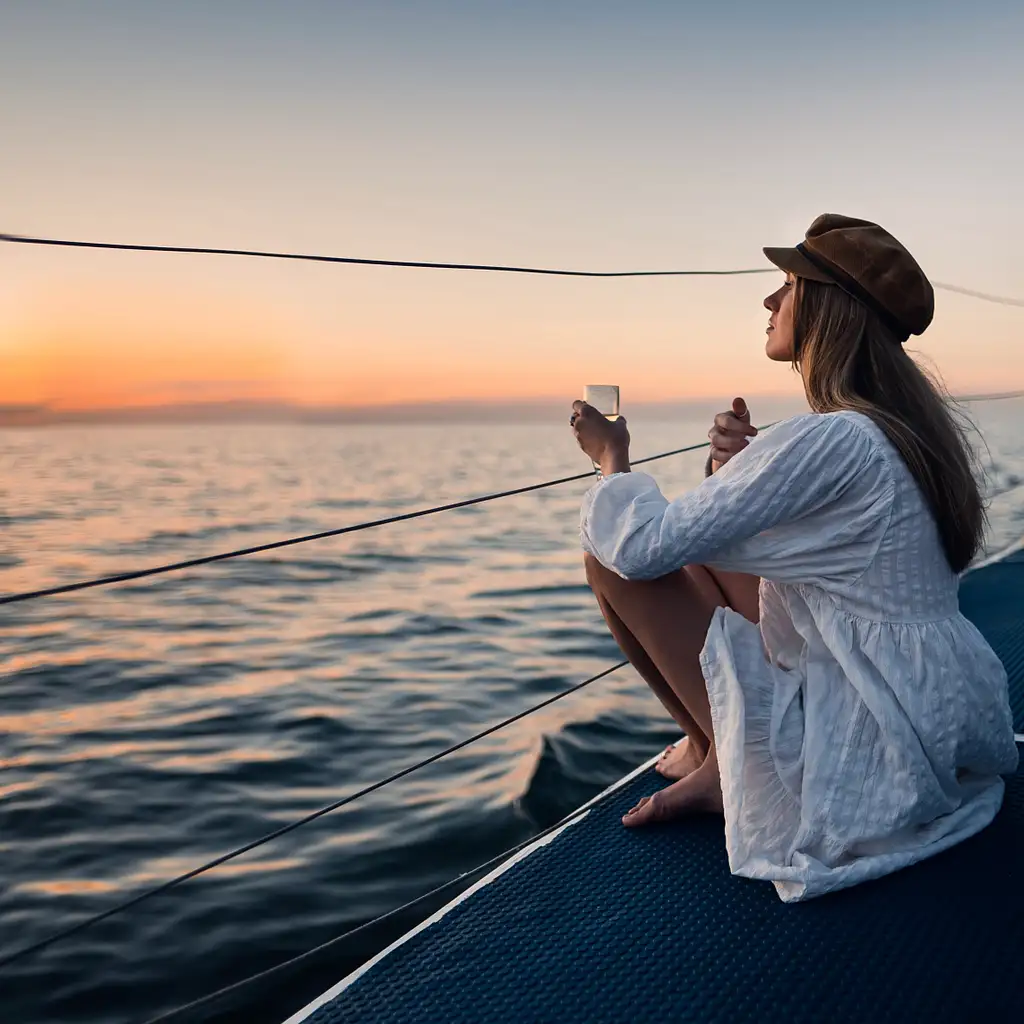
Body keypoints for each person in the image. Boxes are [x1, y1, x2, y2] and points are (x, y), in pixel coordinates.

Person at [569, 213, 1019, 902]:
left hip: (875, 733)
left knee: (611, 555)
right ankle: (712, 750)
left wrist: (611, 459)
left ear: (828, 306)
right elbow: (810, 543)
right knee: (702, 553)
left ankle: (726, 764)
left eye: (787, 285)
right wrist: (737, 473)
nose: (771, 302)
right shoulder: (902, 430)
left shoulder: (830, 438)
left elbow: (640, 546)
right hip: (930, 703)